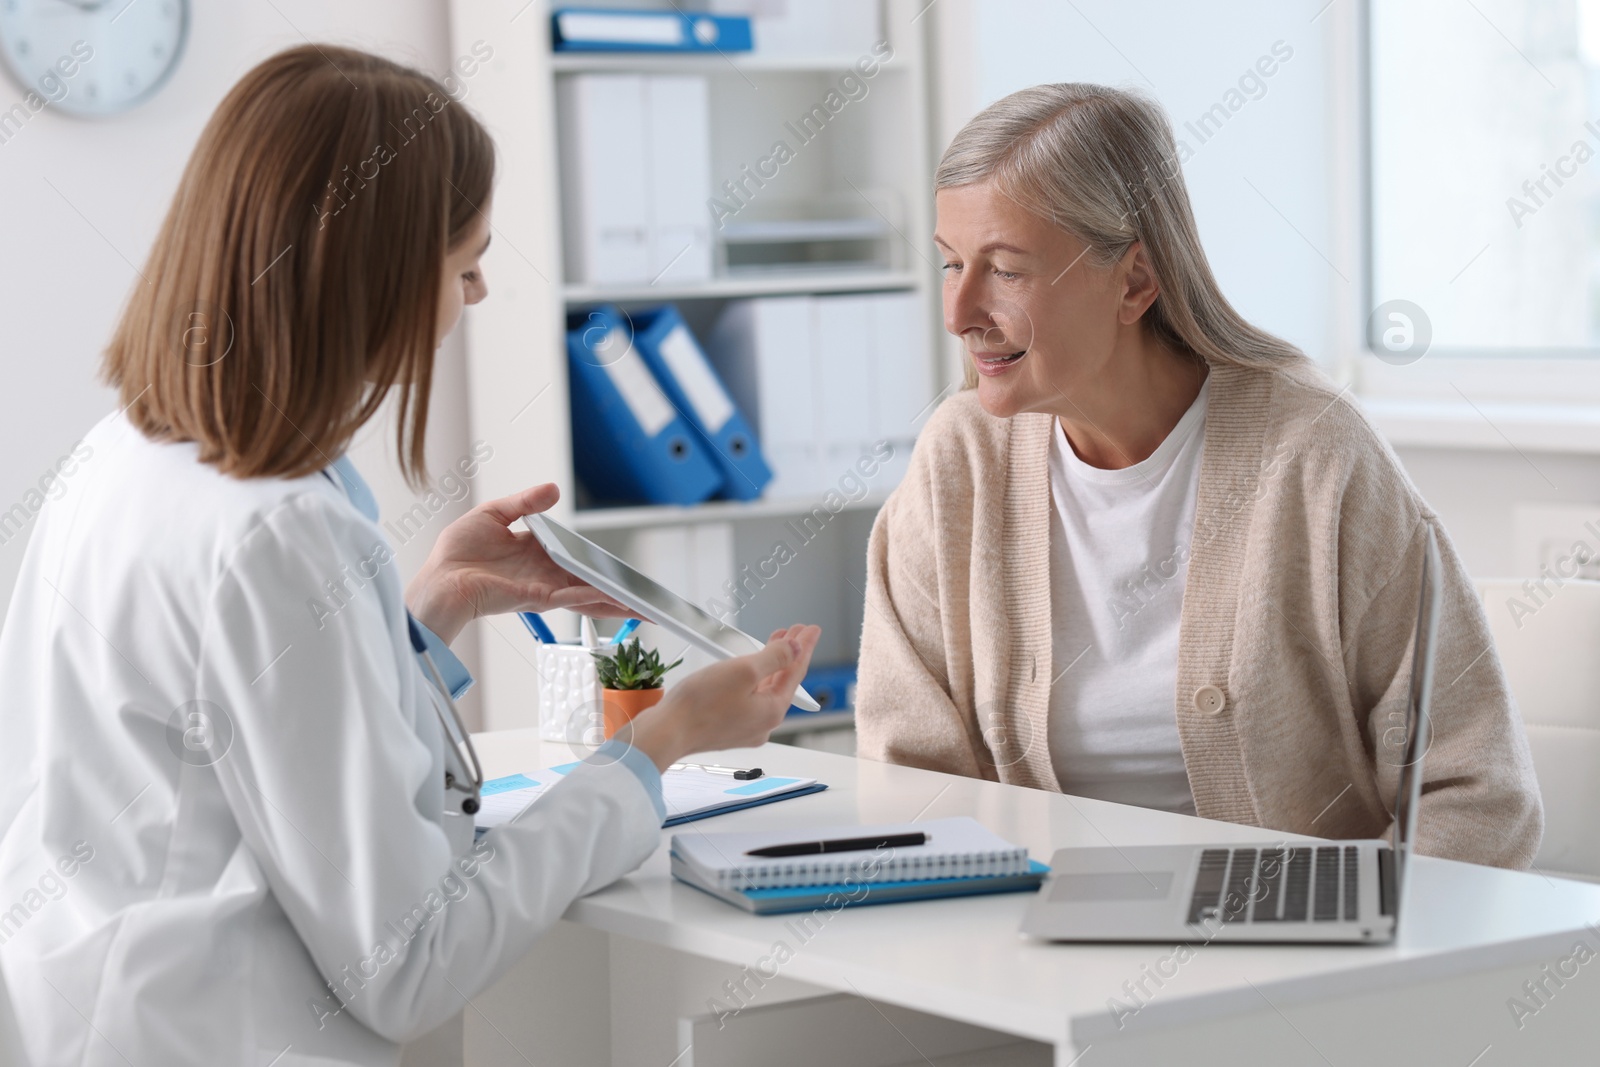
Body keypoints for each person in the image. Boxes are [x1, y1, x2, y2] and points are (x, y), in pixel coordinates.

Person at [0, 45, 819, 1065]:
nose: (475, 294)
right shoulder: (278, 530)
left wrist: (428, 608)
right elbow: (410, 958)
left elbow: (224, 732)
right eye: (464, 261)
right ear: (370, 276)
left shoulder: (125, 452)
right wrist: (653, 748)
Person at [854, 83, 1541, 869]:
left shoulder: (1313, 453)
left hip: (1300, 968)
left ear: (1136, 281)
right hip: (1030, 962)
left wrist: (1339, 937)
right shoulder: (958, 461)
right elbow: (910, 786)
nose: (959, 311)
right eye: (950, 264)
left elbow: (1477, 795)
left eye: (1005, 270)